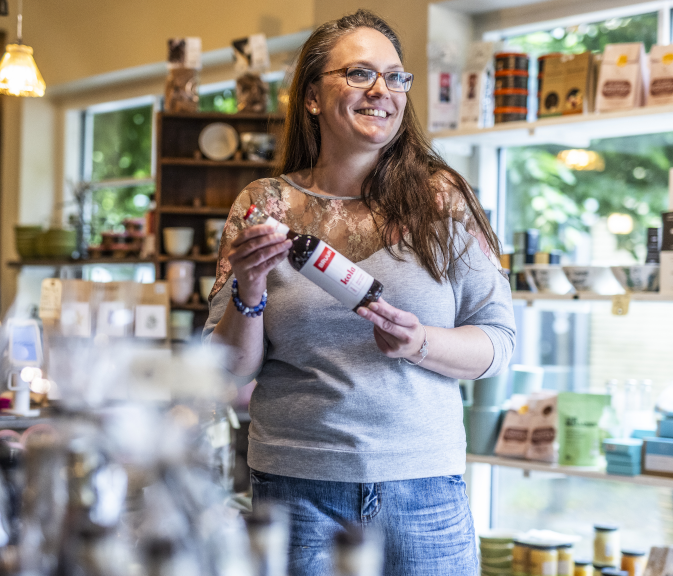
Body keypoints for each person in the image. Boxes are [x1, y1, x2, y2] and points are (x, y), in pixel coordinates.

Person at [203, 10, 515, 576]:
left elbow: (498, 344)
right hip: (296, 490)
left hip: (424, 490)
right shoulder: (264, 206)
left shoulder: (443, 198)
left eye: (396, 77)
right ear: (313, 98)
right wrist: (249, 289)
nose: (383, 91)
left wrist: (420, 342)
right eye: (359, 74)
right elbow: (227, 372)